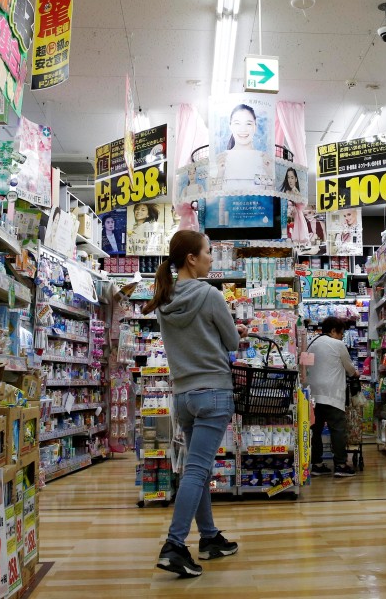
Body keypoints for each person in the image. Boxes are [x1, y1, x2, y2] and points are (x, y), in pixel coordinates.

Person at [145, 230, 246, 578]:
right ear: (191, 257)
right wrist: (238, 332)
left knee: (197, 469)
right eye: (207, 252)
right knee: (197, 471)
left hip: (183, 396)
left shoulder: (164, 297)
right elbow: (231, 341)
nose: (210, 258)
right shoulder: (209, 294)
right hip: (213, 392)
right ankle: (174, 544)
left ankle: (209, 537)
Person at [303, 316, 359, 477]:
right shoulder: (338, 344)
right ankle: (341, 464)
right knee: (337, 429)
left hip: (312, 394)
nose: (342, 337)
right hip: (332, 393)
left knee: (315, 429)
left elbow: (305, 365)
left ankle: (316, 464)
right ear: (334, 331)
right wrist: (356, 373)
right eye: (341, 333)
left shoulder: (311, 342)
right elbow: (349, 368)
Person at [221, 104, 267, 190]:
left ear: (255, 127)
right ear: (230, 126)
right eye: (237, 123)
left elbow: (270, 197)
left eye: (248, 124)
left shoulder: (264, 160)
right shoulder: (221, 159)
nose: (243, 129)